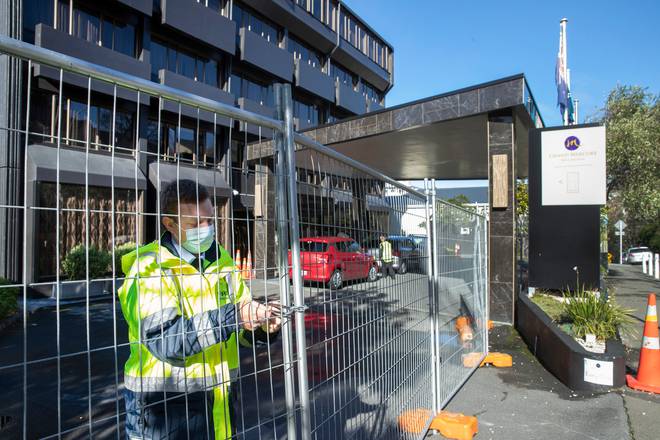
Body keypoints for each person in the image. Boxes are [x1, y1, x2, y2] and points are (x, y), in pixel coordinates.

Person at [118, 179, 281, 439]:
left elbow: (240, 331)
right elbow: (168, 342)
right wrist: (236, 315)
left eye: (209, 221)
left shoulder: (223, 262)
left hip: (219, 406)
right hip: (164, 412)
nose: (206, 229)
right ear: (169, 225)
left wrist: (261, 327)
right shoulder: (148, 269)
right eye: (195, 224)